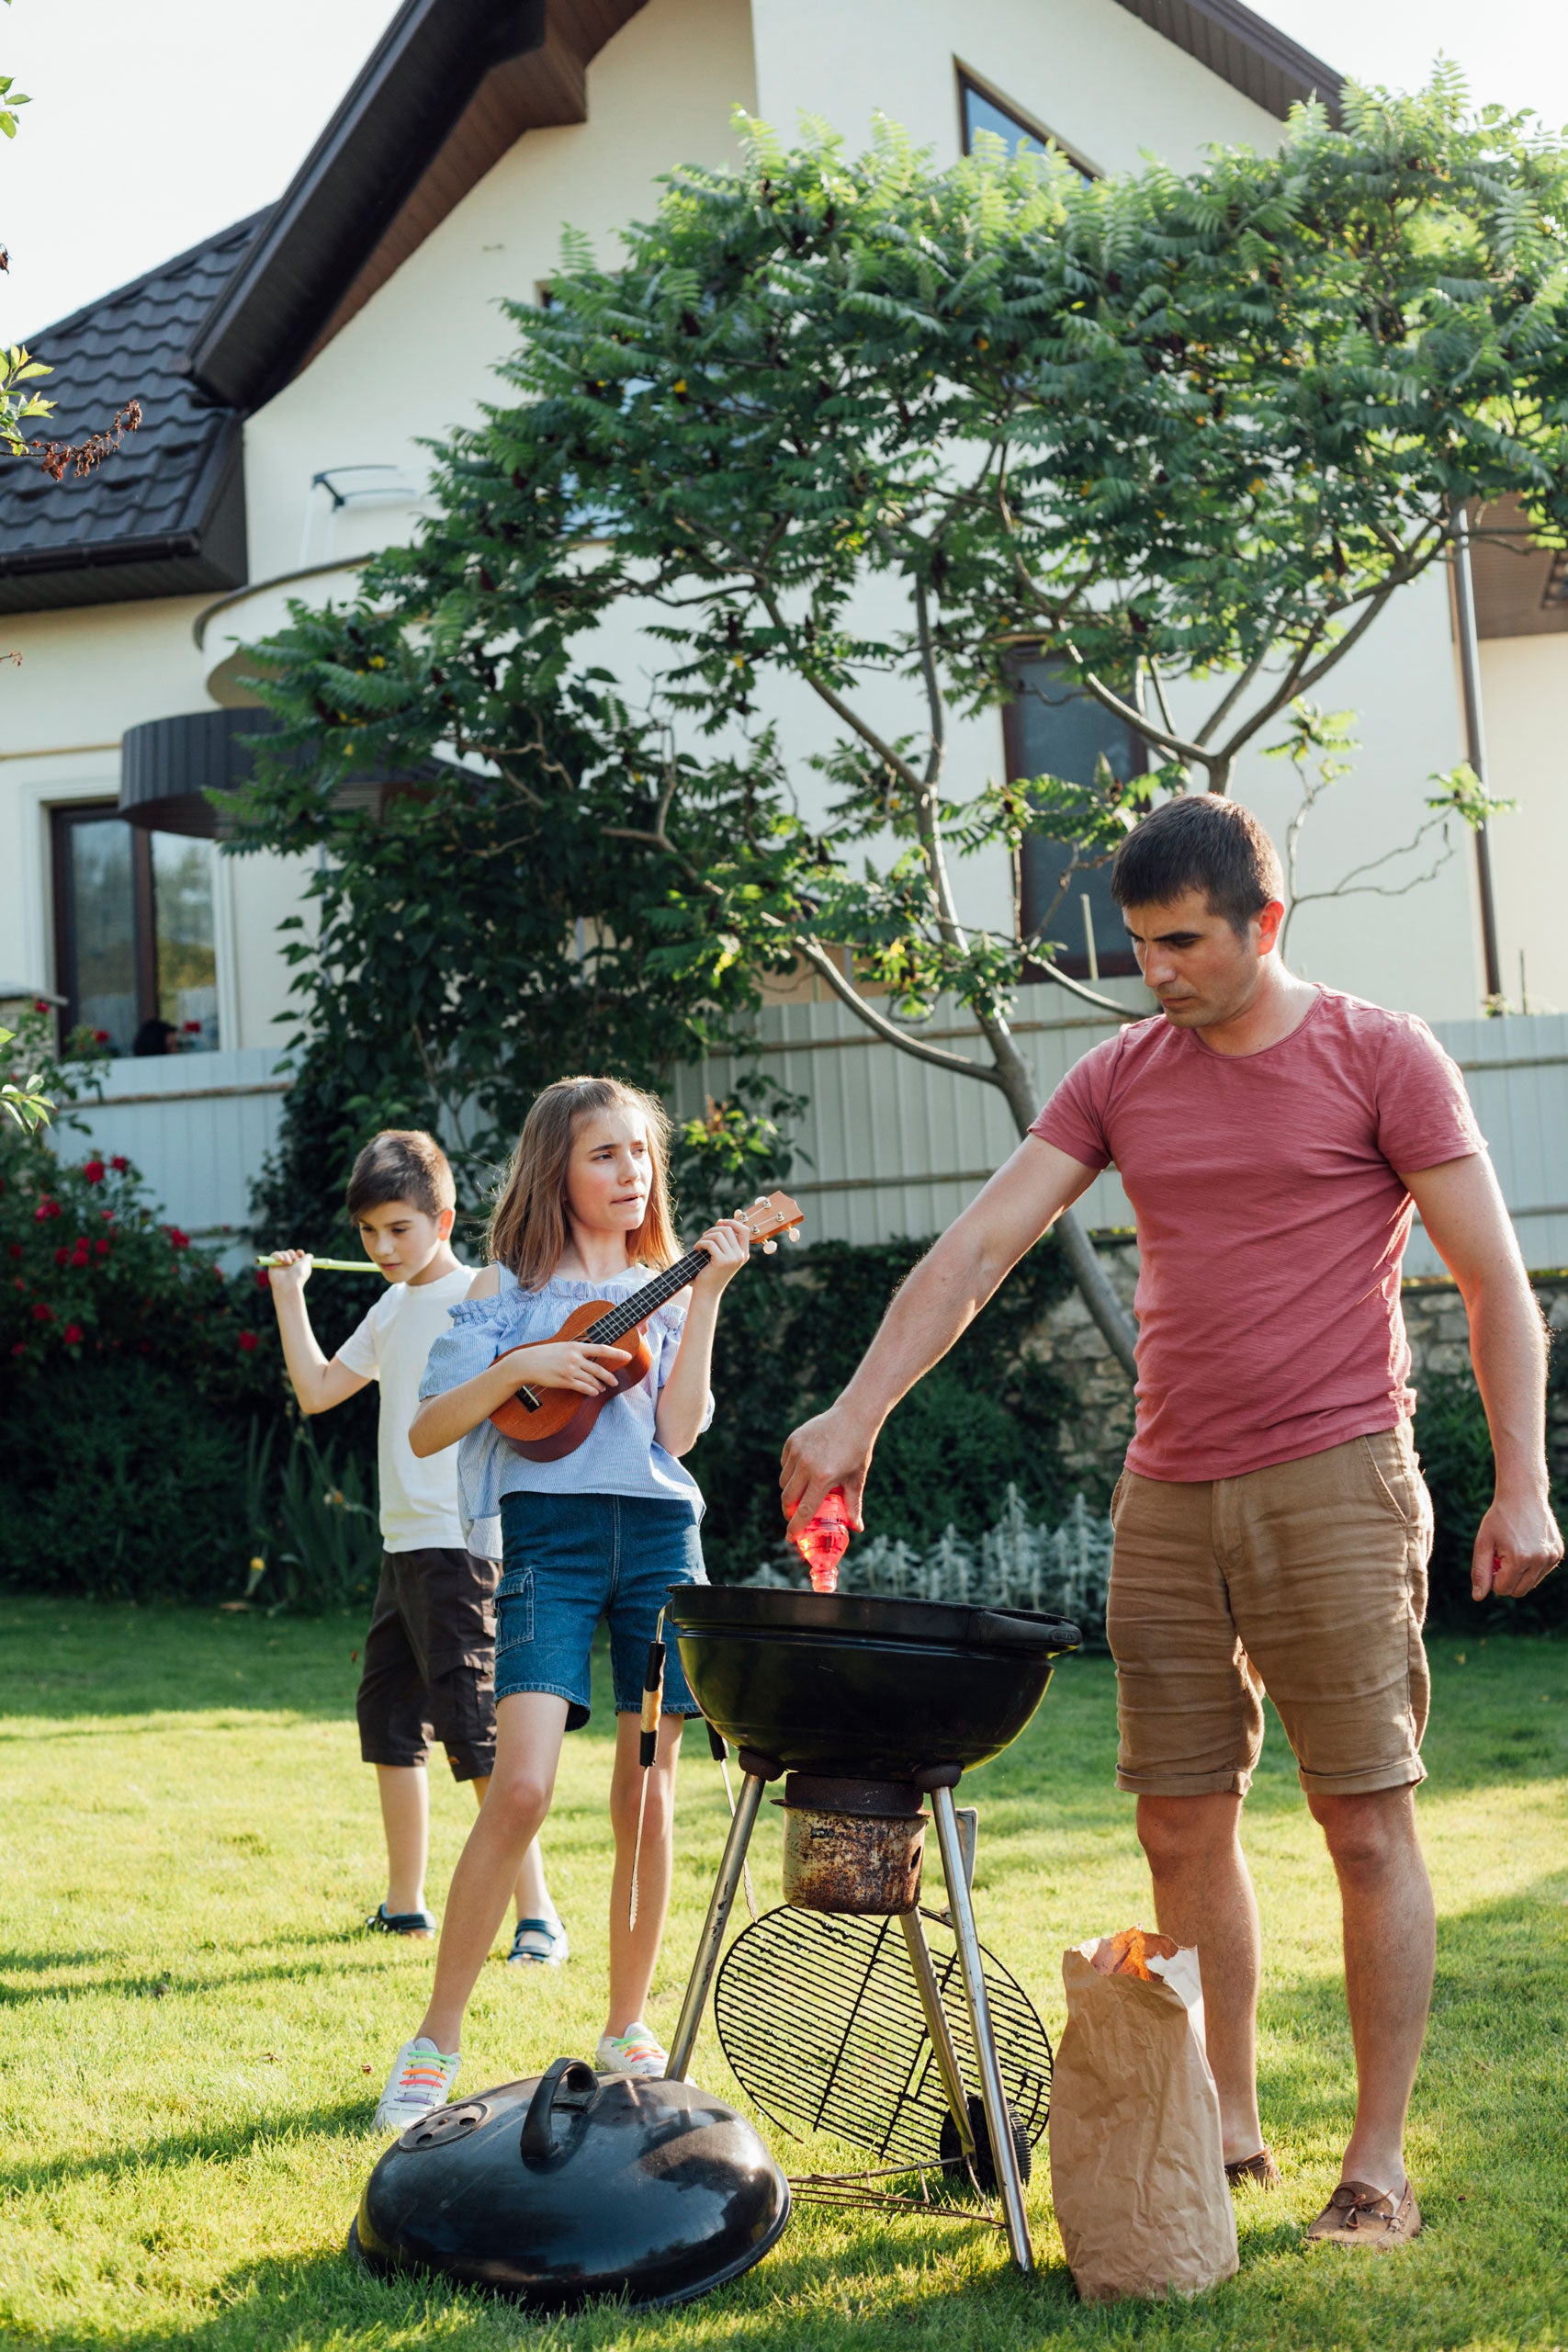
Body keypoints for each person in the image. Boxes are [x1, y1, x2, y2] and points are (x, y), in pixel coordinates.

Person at [781, 794, 1561, 2251]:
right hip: (1165, 1487)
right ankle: (1224, 2125)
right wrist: (853, 1412)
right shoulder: (1118, 1075)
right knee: (1176, 1819)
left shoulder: (1377, 1056)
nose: (1159, 972)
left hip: (1334, 1473)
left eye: (1184, 943)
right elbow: (975, 1248)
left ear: (1268, 922)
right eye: (1139, 946)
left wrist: (1519, 1479)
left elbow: (1492, 1281)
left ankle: (1375, 2167)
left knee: (1361, 1819)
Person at [371, 1077, 753, 2133]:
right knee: (524, 1784)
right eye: (606, 1155)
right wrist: (522, 1365)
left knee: (648, 1791)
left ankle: (626, 2025)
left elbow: (678, 1436)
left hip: (661, 1540)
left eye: (641, 1155)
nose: (631, 1173)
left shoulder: (666, 1287)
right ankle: (435, 2038)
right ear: (557, 1168)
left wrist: (709, 1296)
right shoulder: (500, 1291)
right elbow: (429, 1427)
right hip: (551, 1541)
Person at [266, 1128, 564, 1963]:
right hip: (404, 1549)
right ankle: (405, 1905)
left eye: (399, 1228)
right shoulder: (390, 1306)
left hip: (462, 1547)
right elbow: (321, 1391)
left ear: (444, 1218)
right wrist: (291, 1297)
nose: (382, 1246)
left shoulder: (482, 1294)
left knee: (477, 1736)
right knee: (391, 1725)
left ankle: (536, 1915)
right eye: (368, 1233)